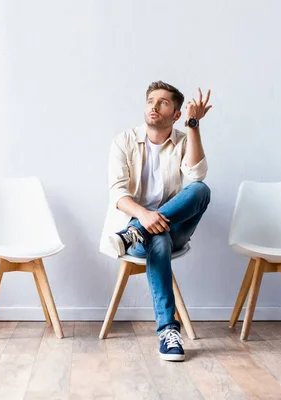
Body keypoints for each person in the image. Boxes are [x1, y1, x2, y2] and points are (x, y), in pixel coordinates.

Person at [100, 81, 212, 361]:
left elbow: (196, 176)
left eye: (163, 102)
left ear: (176, 114)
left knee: (201, 190)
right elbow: (118, 192)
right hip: (136, 225)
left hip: (170, 229)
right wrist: (144, 217)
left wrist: (193, 124)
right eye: (151, 100)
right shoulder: (123, 141)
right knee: (156, 238)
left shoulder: (183, 139)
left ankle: (134, 233)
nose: (154, 105)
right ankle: (168, 332)